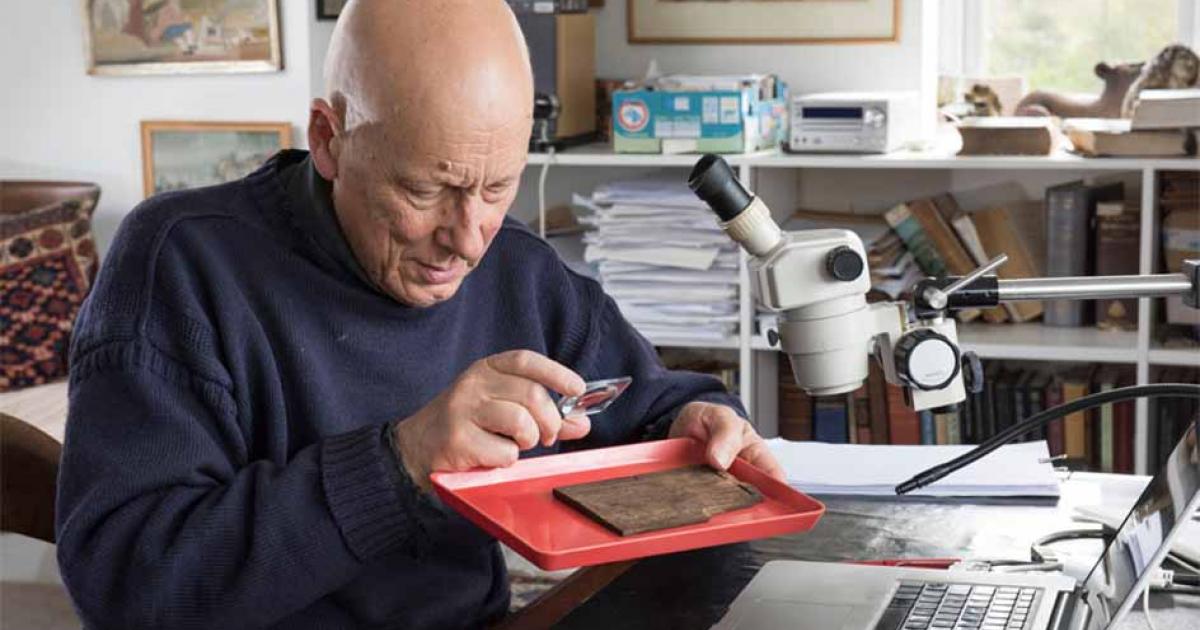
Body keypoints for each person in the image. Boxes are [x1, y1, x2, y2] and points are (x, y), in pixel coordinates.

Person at [56, 1, 783, 628]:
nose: (466, 241)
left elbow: (648, 402)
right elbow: (127, 589)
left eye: (497, 187)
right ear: (329, 139)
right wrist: (400, 463)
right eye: (426, 191)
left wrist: (698, 422)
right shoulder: (178, 265)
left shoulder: (516, 271)